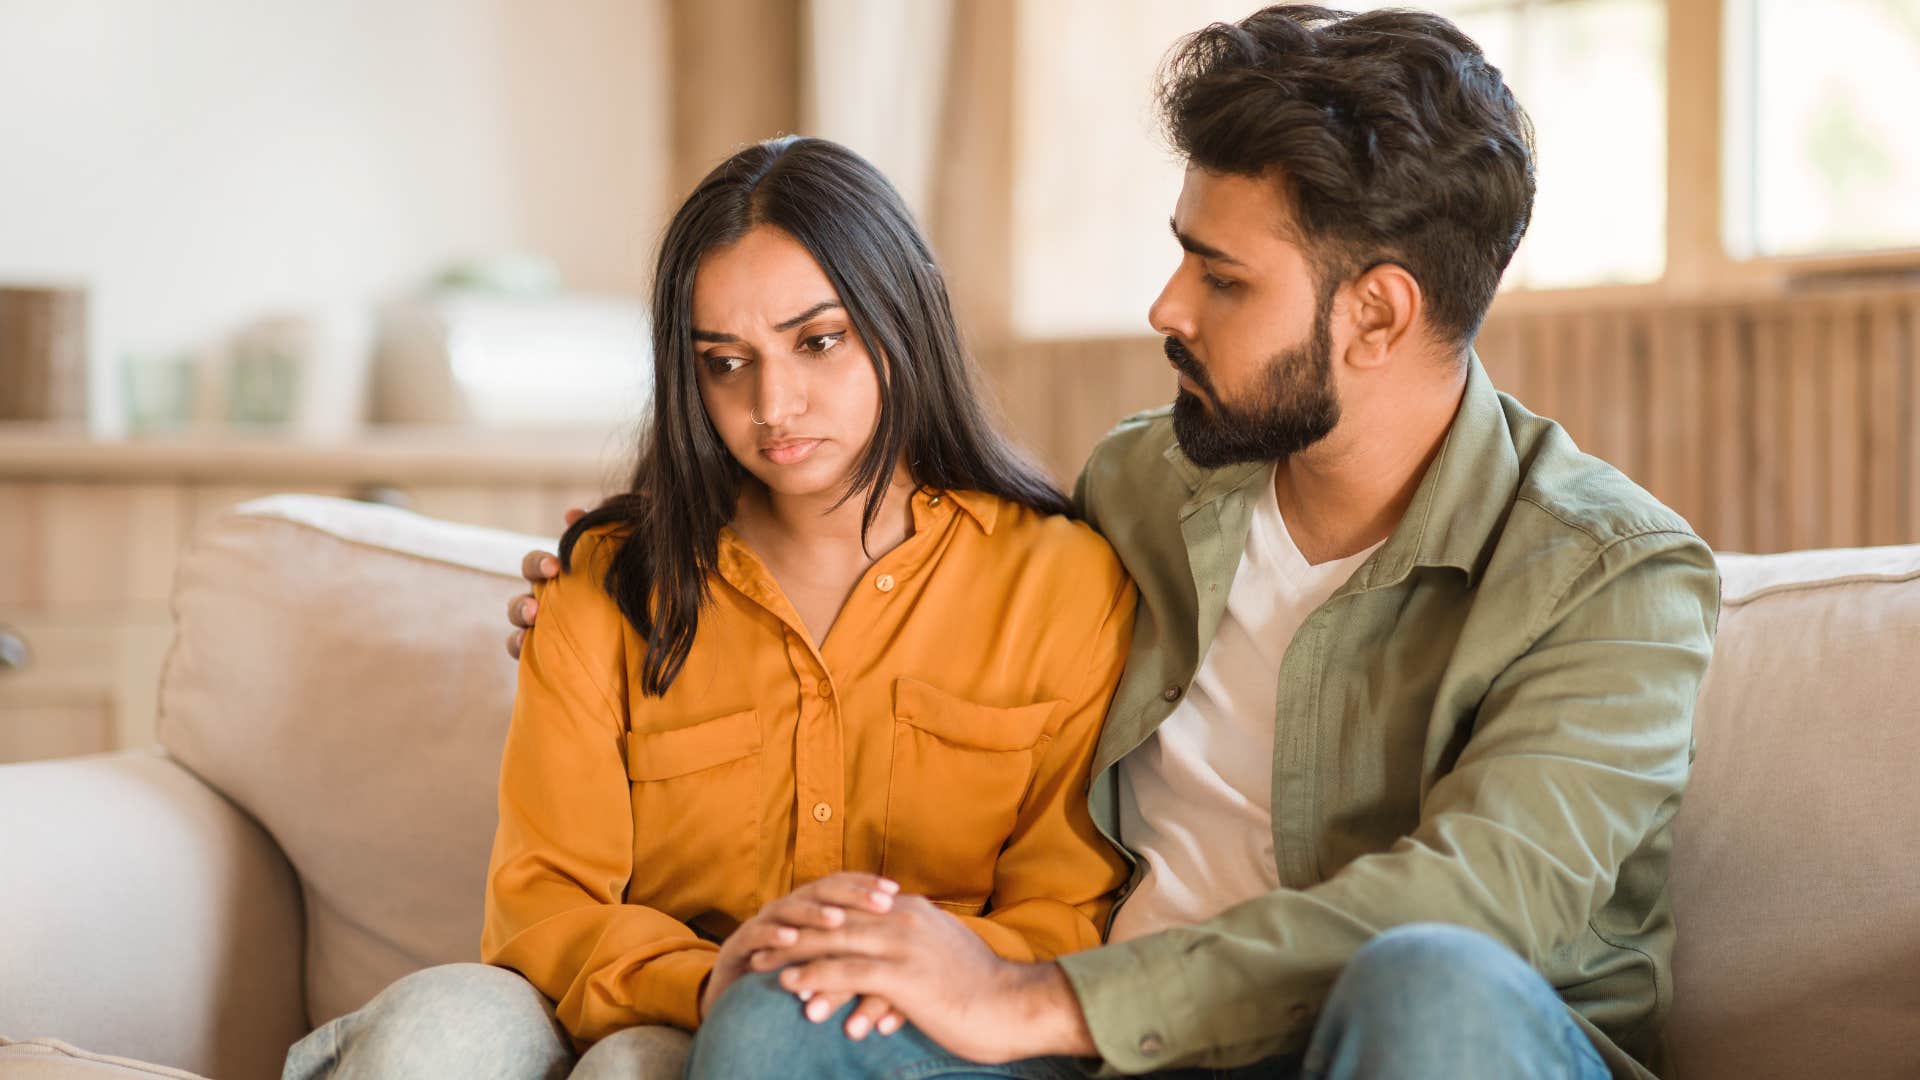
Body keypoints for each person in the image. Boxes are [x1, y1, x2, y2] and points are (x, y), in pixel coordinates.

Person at [505, 6, 1719, 1079]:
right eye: (1179, 249)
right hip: (1118, 1061)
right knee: (790, 1021)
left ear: (1377, 313)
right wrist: (618, 569)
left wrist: (1037, 995)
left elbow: (1483, 904)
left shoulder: (1614, 579)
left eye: (1222, 276)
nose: (1164, 306)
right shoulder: (1142, 483)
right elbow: (935, 586)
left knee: (1431, 982)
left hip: (1407, 1046)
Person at [284, 136, 1137, 1080]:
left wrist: (879, 963)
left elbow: (1070, 915)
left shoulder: (1061, 584)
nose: (774, 404)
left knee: (637, 1071)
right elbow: (544, 909)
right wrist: (707, 977)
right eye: (726, 363)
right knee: (447, 1029)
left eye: (819, 342)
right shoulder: (608, 584)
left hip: (906, 1039)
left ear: (904, 319)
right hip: (661, 1003)